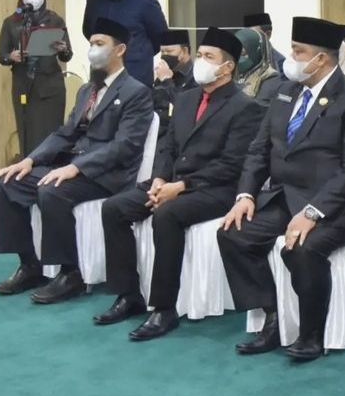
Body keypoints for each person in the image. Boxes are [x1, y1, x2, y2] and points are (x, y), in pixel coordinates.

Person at [219, 17, 345, 361]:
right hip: (289, 194)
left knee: (302, 249)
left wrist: (313, 212)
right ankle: (273, 317)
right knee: (233, 234)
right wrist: (245, 195)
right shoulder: (286, 91)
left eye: (298, 51)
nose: (290, 57)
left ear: (320, 59)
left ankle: (310, 334)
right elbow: (259, 149)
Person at [95, 27, 264, 339]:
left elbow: (231, 165)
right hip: (172, 181)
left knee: (167, 214)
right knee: (114, 208)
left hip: (215, 189)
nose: (200, 61)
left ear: (227, 67)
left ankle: (164, 308)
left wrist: (181, 187)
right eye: (199, 55)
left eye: (208, 56)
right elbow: (168, 146)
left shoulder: (246, 107)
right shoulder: (186, 99)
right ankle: (128, 295)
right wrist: (161, 178)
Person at [0, 18, 153, 303]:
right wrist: (30, 160)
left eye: (100, 44)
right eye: (91, 43)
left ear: (120, 50)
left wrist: (76, 167)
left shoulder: (135, 92)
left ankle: (70, 273)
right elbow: (66, 133)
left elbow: (124, 146)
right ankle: (30, 264)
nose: (93, 49)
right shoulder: (86, 90)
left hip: (106, 174)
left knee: (51, 190)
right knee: (6, 182)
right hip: (73, 166)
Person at [0, 0, 72, 159]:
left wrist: (63, 49)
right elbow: (1, 55)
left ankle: (52, 172)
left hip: (51, 87)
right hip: (24, 86)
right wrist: (11, 56)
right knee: (27, 135)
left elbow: (67, 55)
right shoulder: (11, 22)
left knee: (52, 136)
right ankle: (29, 171)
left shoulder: (55, 20)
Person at [81, 0, 167, 88]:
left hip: (135, 77)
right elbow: (88, 32)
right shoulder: (94, 1)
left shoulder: (145, 2)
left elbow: (161, 38)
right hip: (101, 77)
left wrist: (138, 53)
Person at [152, 29, 195, 138]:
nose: (165, 56)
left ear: (184, 51)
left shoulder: (195, 77)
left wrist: (167, 81)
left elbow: (185, 108)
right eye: (163, 52)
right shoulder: (161, 74)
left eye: (169, 51)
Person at [233, 26, 282, 108]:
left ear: (256, 52)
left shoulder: (270, 80)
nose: (238, 59)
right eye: (235, 53)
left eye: (243, 54)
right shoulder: (232, 75)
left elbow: (256, 110)